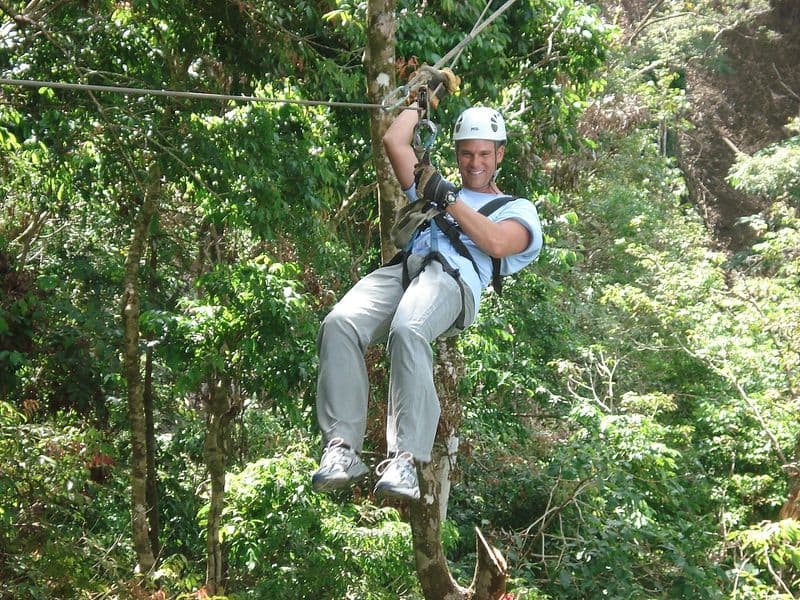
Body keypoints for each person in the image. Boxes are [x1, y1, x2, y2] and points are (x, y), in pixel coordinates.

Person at [312, 69, 543, 502]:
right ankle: (341, 448)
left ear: (500, 156)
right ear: (456, 153)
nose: (475, 163)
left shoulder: (516, 208)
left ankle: (405, 458)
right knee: (340, 323)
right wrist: (421, 101)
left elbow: (495, 242)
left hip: (453, 281)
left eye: (484, 155)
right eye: (467, 154)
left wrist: (447, 196)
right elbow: (394, 143)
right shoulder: (434, 188)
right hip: (409, 271)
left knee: (409, 327)